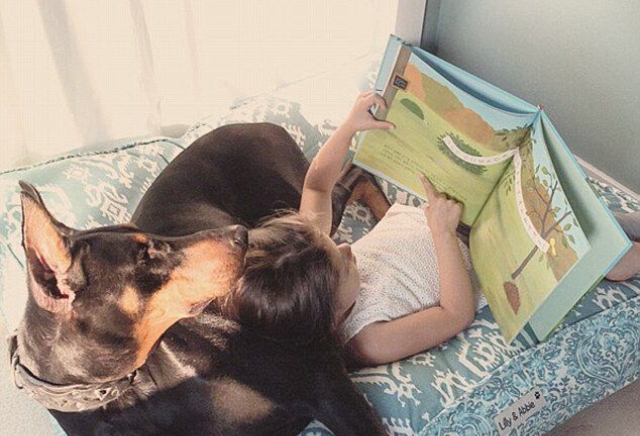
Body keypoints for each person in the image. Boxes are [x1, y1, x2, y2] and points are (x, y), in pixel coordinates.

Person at [228, 92, 640, 366]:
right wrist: (443, 234)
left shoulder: (309, 259)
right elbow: (454, 314)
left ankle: (611, 220)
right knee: (605, 254)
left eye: (333, 245)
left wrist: (348, 127)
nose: (348, 247)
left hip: (453, 211)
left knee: (525, 174)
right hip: (486, 254)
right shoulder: (369, 340)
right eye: (344, 265)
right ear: (332, 314)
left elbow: (317, 185)